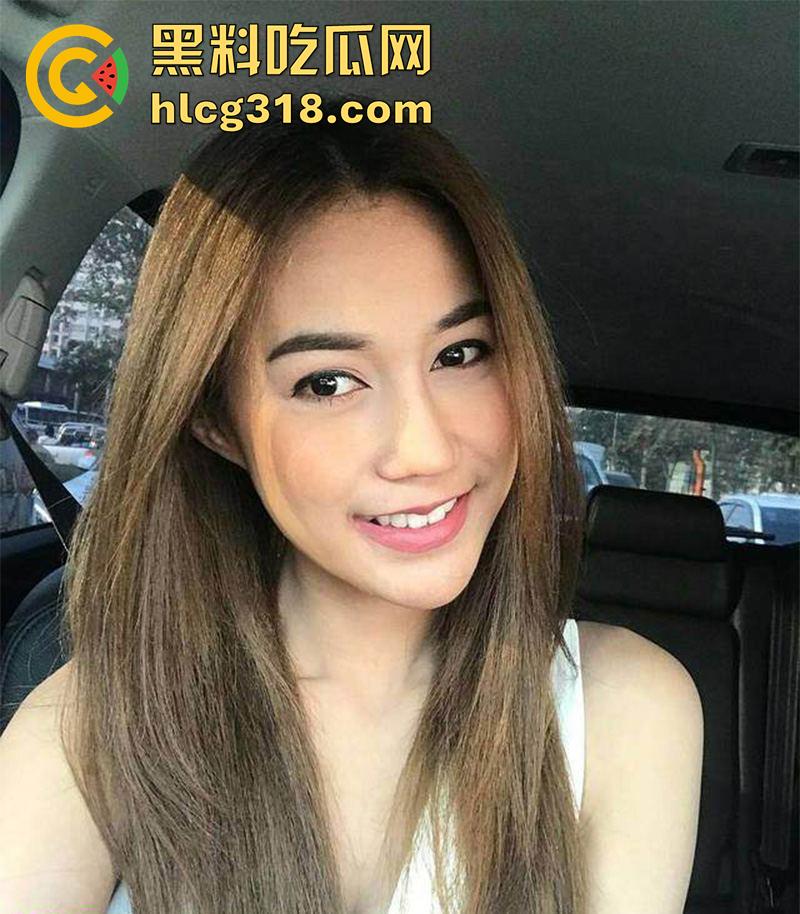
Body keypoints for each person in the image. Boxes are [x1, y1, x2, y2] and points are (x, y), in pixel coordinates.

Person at [0, 97, 703, 914]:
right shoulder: (91, 731)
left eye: (461, 353)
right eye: (327, 382)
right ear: (217, 423)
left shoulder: (624, 709)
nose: (425, 450)